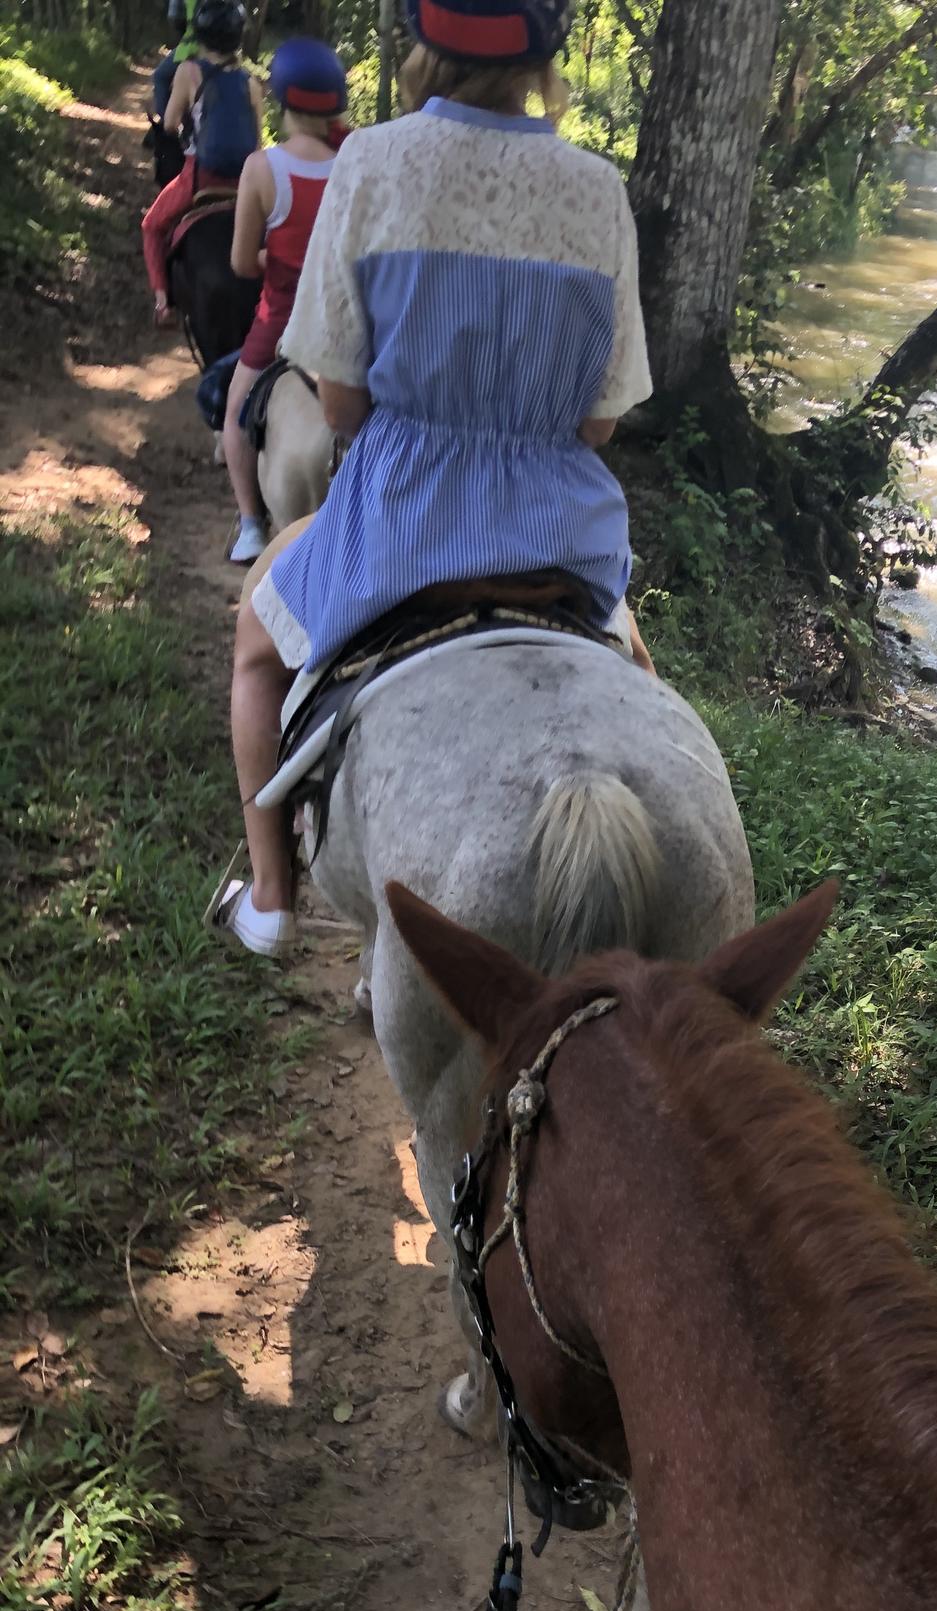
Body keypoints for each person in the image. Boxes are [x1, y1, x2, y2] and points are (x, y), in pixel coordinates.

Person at [214, 0, 657, 960]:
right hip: (562, 531)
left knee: (256, 645)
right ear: (547, 63)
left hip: (399, 512)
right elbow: (602, 421)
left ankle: (272, 897)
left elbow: (336, 407)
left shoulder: (372, 161)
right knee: (646, 689)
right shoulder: (596, 189)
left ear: (423, 50)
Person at [222, 38, 347, 564]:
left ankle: (251, 524)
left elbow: (240, 264)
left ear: (280, 101)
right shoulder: (354, 159)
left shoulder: (262, 168)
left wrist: (274, 254)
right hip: (344, 325)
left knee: (233, 415)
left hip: (279, 324)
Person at [142, 0, 263, 330]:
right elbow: (258, 144)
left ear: (201, 35)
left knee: (152, 226)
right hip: (244, 184)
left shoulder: (188, 72)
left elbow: (168, 124)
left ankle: (163, 303)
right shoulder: (250, 82)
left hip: (199, 177)